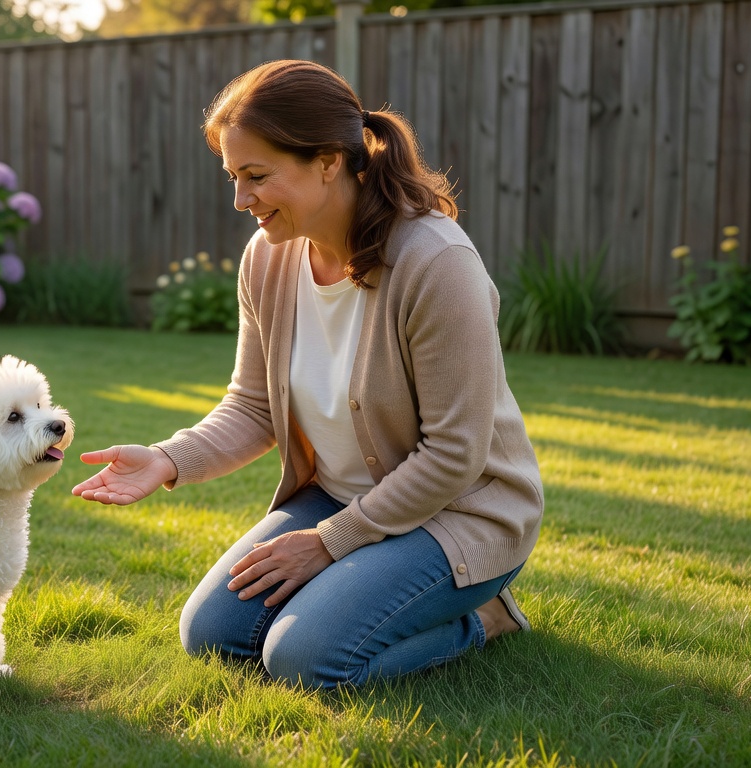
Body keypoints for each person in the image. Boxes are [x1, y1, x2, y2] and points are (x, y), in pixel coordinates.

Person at [71, 59, 543, 690]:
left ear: (327, 161)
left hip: (458, 514)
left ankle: (481, 618)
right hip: (340, 497)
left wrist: (329, 543)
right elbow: (254, 406)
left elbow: (455, 454)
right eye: (234, 177)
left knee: (304, 660)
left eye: (257, 176)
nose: (241, 200)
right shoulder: (268, 258)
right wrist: (168, 460)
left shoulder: (437, 264)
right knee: (213, 637)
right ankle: (360, 593)